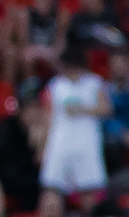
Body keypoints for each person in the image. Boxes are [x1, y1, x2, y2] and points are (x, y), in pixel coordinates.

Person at [40, 46, 110, 199]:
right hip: (60, 142)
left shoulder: (94, 83)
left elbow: (106, 109)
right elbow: (47, 118)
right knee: (52, 188)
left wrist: (83, 110)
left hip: (86, 142)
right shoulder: (55, 86)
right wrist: (43, 147)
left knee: (89, 190)